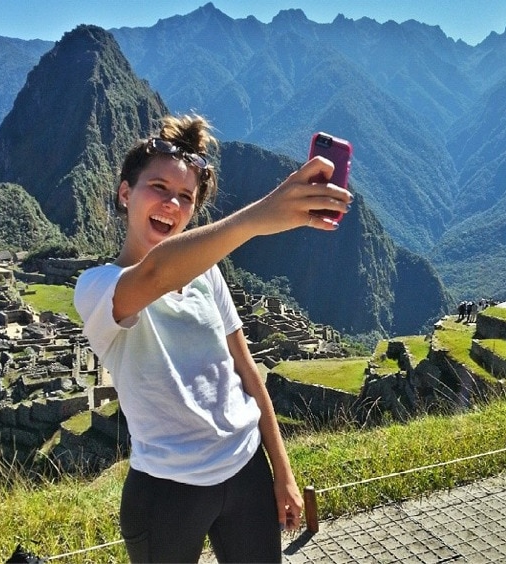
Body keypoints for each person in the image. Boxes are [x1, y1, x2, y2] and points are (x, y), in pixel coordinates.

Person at [74, 113, 352, 563]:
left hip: (246, 470)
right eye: (158, 187)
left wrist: (282, 470)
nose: (171, 203)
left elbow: (246, 371)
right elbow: (156, 273)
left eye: (185, 196)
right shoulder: (97, 289)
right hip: (166, 493)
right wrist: (259, 217)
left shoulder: (207, 274)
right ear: (125, 193)